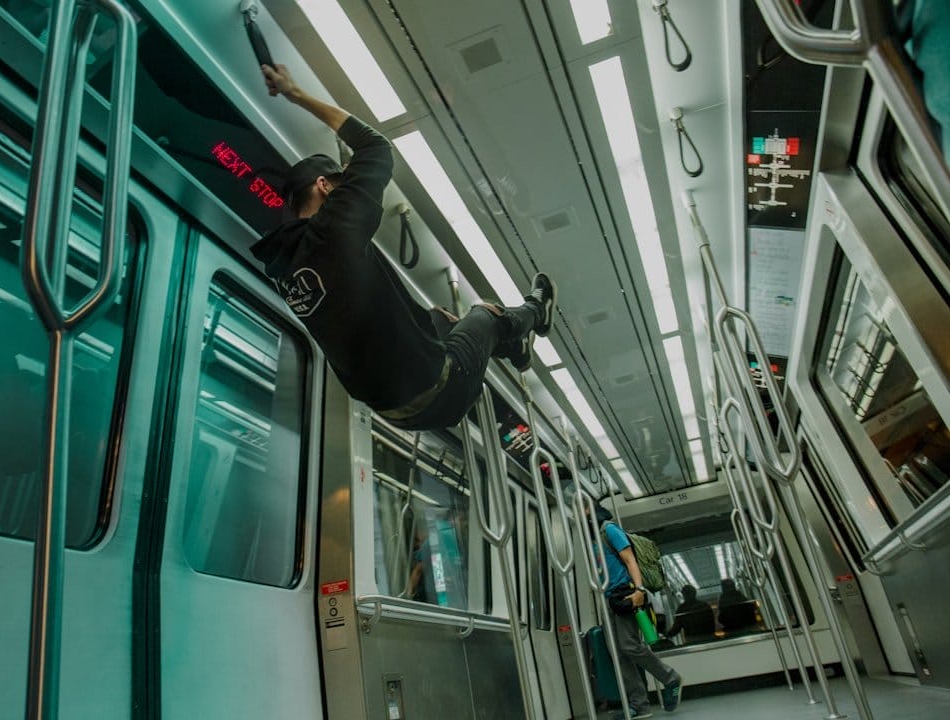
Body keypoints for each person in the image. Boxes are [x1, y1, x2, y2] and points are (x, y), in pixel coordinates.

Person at [250, 64, 556, 431]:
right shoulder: (334, 229)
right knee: (485, 314)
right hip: (442, 390)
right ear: (324, 186)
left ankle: (514, 346)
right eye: (340, 181)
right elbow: (375, 146)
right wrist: (295, 93)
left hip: (393, 412)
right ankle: (536, 313)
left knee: (439, 319)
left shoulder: (286, 268)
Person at [590, 503, 682, 719]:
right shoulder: (591, 538)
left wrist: (639, 590)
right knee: (617, 652)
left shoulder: (609, 530)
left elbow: (630, 559)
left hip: (625, 594)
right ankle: (639, 705)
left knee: (629, 646)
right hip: (608, 599)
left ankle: (670, 678)